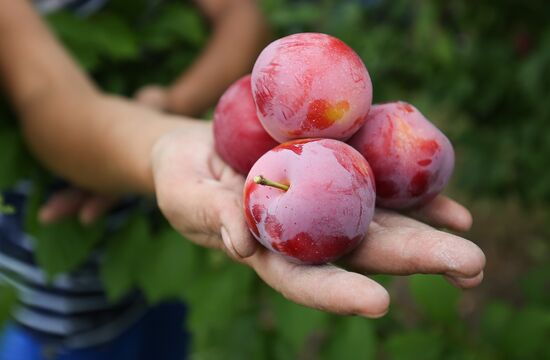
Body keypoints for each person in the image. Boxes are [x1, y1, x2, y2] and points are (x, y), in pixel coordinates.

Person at [0, 0, 486, 359]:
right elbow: (46, 99)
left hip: (151, 229)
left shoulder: (310, 125)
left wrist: (171, 103)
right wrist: (155, 140)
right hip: (52, 294)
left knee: (167, 333)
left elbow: (244, 14)